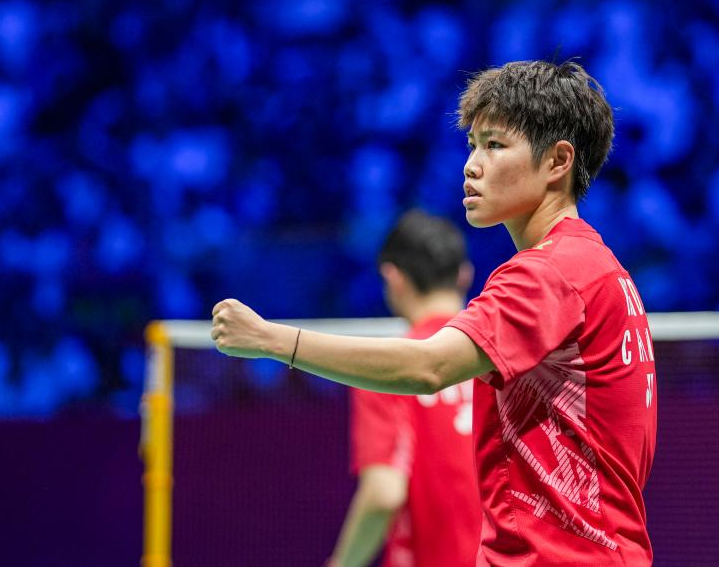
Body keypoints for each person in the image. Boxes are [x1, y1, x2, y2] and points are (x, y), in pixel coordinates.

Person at [211, 60, 657, 565]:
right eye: (473, 145)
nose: (471, 166)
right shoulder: (602, 270)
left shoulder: (550, 272)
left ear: (558, 161)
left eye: (495, 145)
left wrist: (270, 340)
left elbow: (429, 367)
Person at [328, 210, 481, 567]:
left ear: (392, 277)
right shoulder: (505, 358)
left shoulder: (385, 370)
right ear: (464, 275)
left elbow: (384, 492)